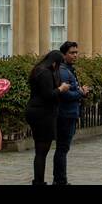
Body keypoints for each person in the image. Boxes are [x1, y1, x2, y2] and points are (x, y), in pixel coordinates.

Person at [25, 50, 69, 185]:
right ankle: (38, 181)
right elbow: (48, 94)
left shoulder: (38, 70)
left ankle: (38, 180)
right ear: (55, 62)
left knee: (40, 150)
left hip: (36, 111)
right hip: (42, 113)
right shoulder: (45, 72)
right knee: (42, 150)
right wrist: (61, 88)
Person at [54, 41, 90, 185]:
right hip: (65, 115)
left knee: (63, 148)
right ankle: (60, 181)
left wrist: (81, 92)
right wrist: (80, 93)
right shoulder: (63, 71)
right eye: (72, 53)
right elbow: (66, 95)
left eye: (76, 52)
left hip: (70, 114)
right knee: (62, 148)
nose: (75, 55)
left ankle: (60, 180)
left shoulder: (68, 69)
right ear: (64, 55)